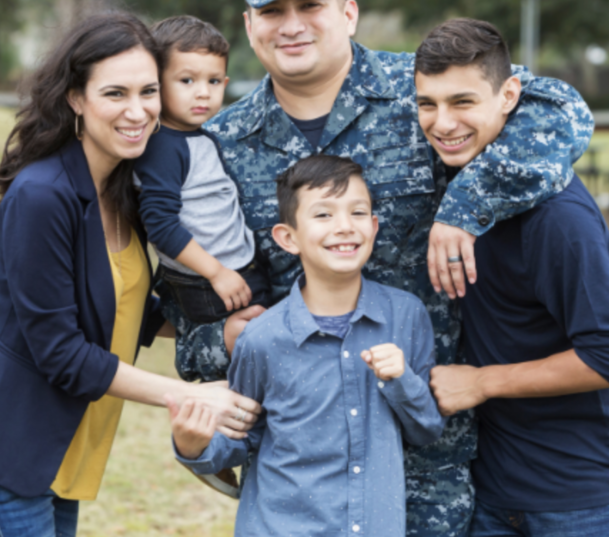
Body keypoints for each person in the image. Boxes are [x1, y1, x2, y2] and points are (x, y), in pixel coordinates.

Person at [184, 0, 595, 534]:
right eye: (272, 11)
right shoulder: (218, 144)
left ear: (348, 13)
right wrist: (220, 340)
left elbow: (560, 111)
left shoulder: (423, 91)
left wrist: (463, 209)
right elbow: (191, 313)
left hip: (431, 449)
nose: (292, 24)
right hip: (307, 467)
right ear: (249, 26)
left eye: (311, 6)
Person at [0, 13, 261, 537]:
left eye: (148, 91)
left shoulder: (123, 190)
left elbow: (127, 310)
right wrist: (187, 394)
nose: (137, 111)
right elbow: (61, 351)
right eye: (115, 93)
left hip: (65, 454)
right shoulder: (42, 196)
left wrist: (223, 331)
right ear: (75, 98)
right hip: (5, 455)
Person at [418, 19, 609, 536]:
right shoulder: (457, 183)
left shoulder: (559, 219)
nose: (443, 123)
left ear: (509, 95)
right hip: (490, 490)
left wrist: (480, 382)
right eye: (428, 104)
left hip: (577, 496)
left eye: (463, 102)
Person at [170, 155, 444, 536]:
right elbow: (242, 436)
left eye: (358, 212)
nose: (345, 227)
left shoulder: (406, 316)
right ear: (288, 237)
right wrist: (193, 445)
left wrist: (401, 380)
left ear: (374, 225)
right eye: (323, 215)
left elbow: (426, 428)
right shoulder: (262, 338)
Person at [135, 15, 270, 330]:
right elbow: (161, 225)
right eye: (186, 80)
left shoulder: (197, 135)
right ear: (155, 82)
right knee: (258, 354)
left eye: (213, 81)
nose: (203, 93)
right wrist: (216, 273)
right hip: (210, 282)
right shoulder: (163, 148)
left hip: (234, 270)